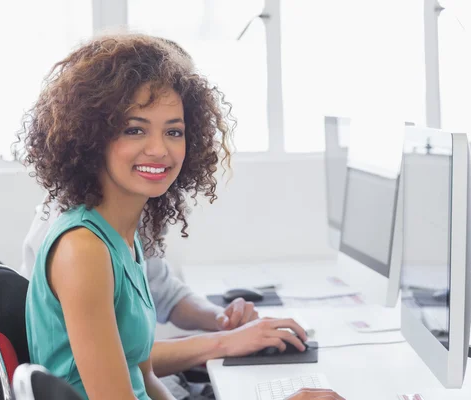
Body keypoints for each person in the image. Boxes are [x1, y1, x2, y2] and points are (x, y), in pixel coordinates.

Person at [19, 33, 344, 400]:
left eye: (173, 131)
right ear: (92, 138)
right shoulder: (82, 249)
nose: (159, 149)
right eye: (135, 129)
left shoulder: (122, 238)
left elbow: (147, 381)